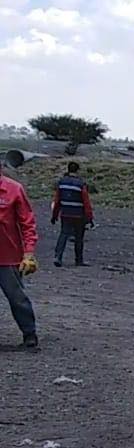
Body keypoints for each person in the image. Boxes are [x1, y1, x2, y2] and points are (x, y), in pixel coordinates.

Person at [0, 149, 39, 350]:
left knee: (17, 298)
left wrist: (29, 252)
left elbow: (27, 223)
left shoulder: (14, 190)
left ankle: (29, 333)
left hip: (8, 257)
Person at [52, 161, 94, 267]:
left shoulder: (61, 182)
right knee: (79, 238)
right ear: (78, 170)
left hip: (65, 213)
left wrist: (54, 215)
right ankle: (78, 260)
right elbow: (86, 202)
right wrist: (89, 218)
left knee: (63, 235)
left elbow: (57, 200)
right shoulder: (81, 184)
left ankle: (58, 256)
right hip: (79, 215)